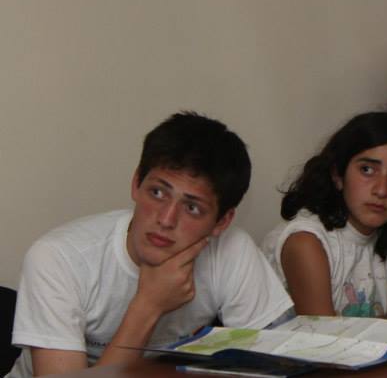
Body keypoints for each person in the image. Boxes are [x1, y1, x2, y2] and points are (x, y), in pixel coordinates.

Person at [9, 112, 292, 378]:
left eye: (192, 208)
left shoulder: (231, 251)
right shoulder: (59, 258)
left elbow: (284, 362)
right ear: (136, 184)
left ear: (222, 221)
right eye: (157, 193)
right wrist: (148, 305)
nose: (166, 219)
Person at [262, 112, 387, 317]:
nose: (381, 190)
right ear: (338, 175)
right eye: (367, 170)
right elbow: (320, 333)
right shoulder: (306, 241)